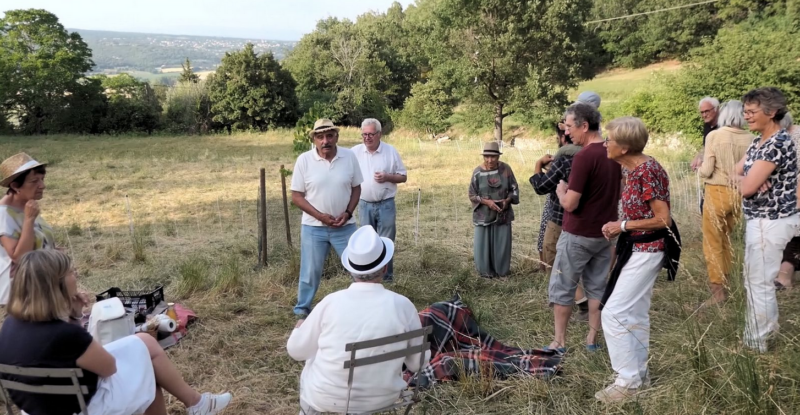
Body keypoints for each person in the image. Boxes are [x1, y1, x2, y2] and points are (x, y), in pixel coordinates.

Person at [0, 250, 231, 415]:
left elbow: (68, 353)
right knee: (147, 372)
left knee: (144, 346)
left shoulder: (9, 326)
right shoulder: (63, 334)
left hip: (37, 407)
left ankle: (197, 404)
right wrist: (76, 321)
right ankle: (197, 404)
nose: (76, 275)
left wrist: (76, 314)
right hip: (84, 407)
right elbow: (108, 367)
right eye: (72, 271)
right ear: (56, 284)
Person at [287, 225, 430, 414]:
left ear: (350, 270)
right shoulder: (403, 306)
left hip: (324, 400)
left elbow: (297, 351)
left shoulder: (331, 302)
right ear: (385, 267)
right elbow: (418, 363)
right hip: (382, 400)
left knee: (312, 359)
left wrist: (299, 328)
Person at [596, 117, 678, 402]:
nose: (606, 143)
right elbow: (638, 212)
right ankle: (639, 374)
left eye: (610, 140)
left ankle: (627, 382)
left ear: (625, 146)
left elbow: (662, 219)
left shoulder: (647, 171)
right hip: (637, 246)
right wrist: (622, 226)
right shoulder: (631, 170)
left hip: (649, 248)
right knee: (635, 312)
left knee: (614, 313)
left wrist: (622, 226)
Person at [547, 102, 621, 353]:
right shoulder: (614, 152)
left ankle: (559, 341)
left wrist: (560, 191)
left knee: (563, 287)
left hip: (578, 234)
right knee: (597, 287)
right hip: (605, 235)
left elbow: (570, 203)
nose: (567, 132)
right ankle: (592, 339)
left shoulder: (584, 157)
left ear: (585, 125)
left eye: (569, 126)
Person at [735, 87, 798, 352]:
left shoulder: (776, 143)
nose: (746, 116)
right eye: (745, 111)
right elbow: (735, 174)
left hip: (771, 222)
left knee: (760, 282)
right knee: (755, 280)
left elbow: (747, 188)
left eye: (752, 111)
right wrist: (744, 179)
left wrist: (746, 182)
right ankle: (765, 331)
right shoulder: (758, 142)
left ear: (771, 112)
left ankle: (757, 342)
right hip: (759, 220)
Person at [291, 119, 363, 319]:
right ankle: (302, 309)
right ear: (314, 139)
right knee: (310, 271)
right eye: (320, 137)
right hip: (314, 227)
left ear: (336, 137)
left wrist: (348, 213)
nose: (325, 141)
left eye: (330, 136)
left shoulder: (349, 157)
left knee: (358, 266)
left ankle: (366, 304)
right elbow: (296, 196)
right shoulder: (304, 160)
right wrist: (320, 216)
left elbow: (357, 188)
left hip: (345, 226)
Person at [697, 100, 753, 305]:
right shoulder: (752, 138)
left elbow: (707, 169)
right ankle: (728, 282)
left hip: (716, 192)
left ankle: (717, 291)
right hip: (740, 193)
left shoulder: (714, 135)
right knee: (728, 241)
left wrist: (699, 169)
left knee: (713, 243)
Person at [530, 123, 588, 320]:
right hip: (586, 220)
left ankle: (579, 301)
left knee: (553, 257)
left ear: (564, 139)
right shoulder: (591, 156)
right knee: (577, 261)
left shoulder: (564, 160)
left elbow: (541, 187)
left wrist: (539, 166)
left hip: (560, 218)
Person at [352, 118, 407, 283]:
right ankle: (368, 278)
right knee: (367, 242)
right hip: (364, 204)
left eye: (371, 134)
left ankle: (387, 278)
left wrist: (388, 177)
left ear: (379, 134)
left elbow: (403, 176)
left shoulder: (390, 151)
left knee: (386, 242)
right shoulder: (354, 152)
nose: (367, 137)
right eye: (364, 134)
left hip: (386, 204)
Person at [0, 152, 57, 305]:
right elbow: (19, 257)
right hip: (23, 296)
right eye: (34, 181)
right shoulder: (4, 215)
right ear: (15, 186)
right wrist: (29, 219)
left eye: (42, 179)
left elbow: (40, 241)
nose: (42, 185)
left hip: (42, 286)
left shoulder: (27, 204)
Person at [468, 142, 520, 278]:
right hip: (483, 215)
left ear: (498, 157)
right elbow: (472, 194)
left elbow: (514, 188)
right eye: (486, 156)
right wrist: (486, 202)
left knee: (501, 244)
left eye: (493, 157)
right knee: (483, 245)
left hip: (502, 214)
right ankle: (485, 273)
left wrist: (507, 201)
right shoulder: (477, 173)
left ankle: (501, 273)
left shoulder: (506, 169)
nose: (489, 160)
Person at [775, 112, 800, 290]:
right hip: (789, 196)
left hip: (796, 196)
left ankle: (785, 278)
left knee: (793, 236)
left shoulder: (792, 138)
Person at [691, 97, 721, 171]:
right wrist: (698, 157)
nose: (704, 115)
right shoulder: (707, 125)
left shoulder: (724, 126)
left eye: (707, 111)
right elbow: (705, 146)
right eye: (702, 112)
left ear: (716, 109)